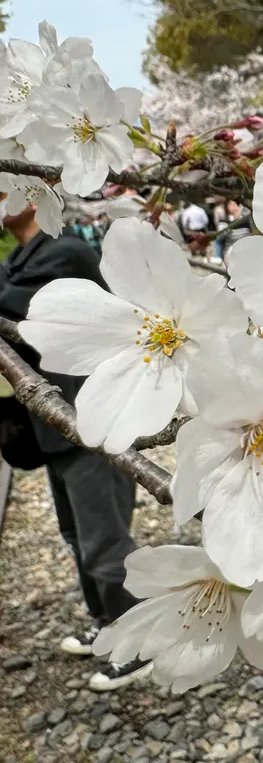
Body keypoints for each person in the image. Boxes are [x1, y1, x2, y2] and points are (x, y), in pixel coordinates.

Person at [0, 197, 151, 691]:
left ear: (37, 194)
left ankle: (137, 647)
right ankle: (110, 625)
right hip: (59, 427)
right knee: (75, 536)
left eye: (6, 190)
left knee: (104, 541)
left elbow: (11, 306)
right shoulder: (21, 259)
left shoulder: (64, 252)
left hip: (90, 423)